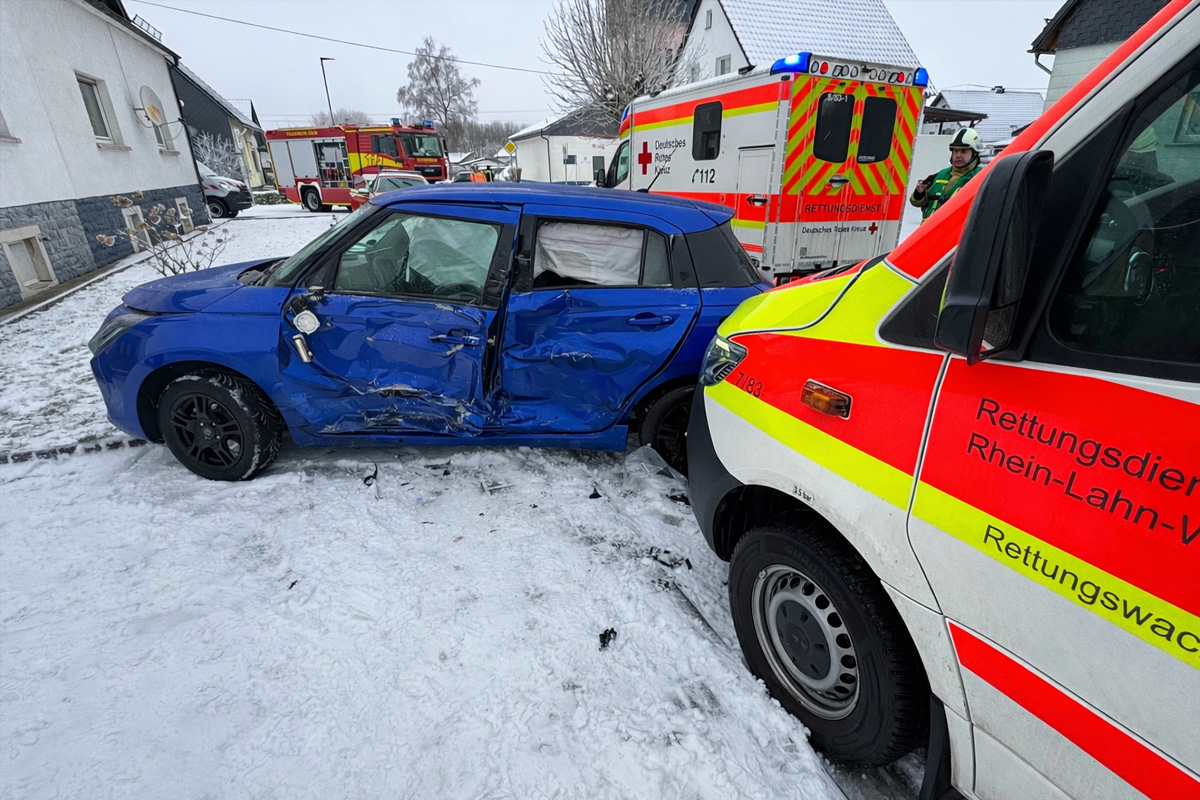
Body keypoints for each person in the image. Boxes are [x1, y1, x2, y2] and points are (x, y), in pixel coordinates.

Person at [910, 128, 984, 222]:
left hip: (956, 235)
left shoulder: (982, 177)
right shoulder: (940, 175)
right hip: (929, 234)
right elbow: (915, 202)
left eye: (963, 151)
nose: (958, 155)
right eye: (955, 151)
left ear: (974, 153)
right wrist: (919, 192)